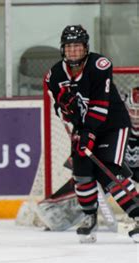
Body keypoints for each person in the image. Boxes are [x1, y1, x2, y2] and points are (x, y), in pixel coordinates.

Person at [45, 25, 139, 243]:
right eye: (69, 47)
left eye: (78, 47)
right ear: (63, 49)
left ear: (86, 48)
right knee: (82, 173)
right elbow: (58, 110)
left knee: (109, 171)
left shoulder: (99, 65)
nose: (74, 52)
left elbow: (99, 106)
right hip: (84, 128)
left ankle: (136, 215)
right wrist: (67, 112)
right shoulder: (54, 75)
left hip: (112, 125)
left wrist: (87, 133)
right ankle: (89, 218)